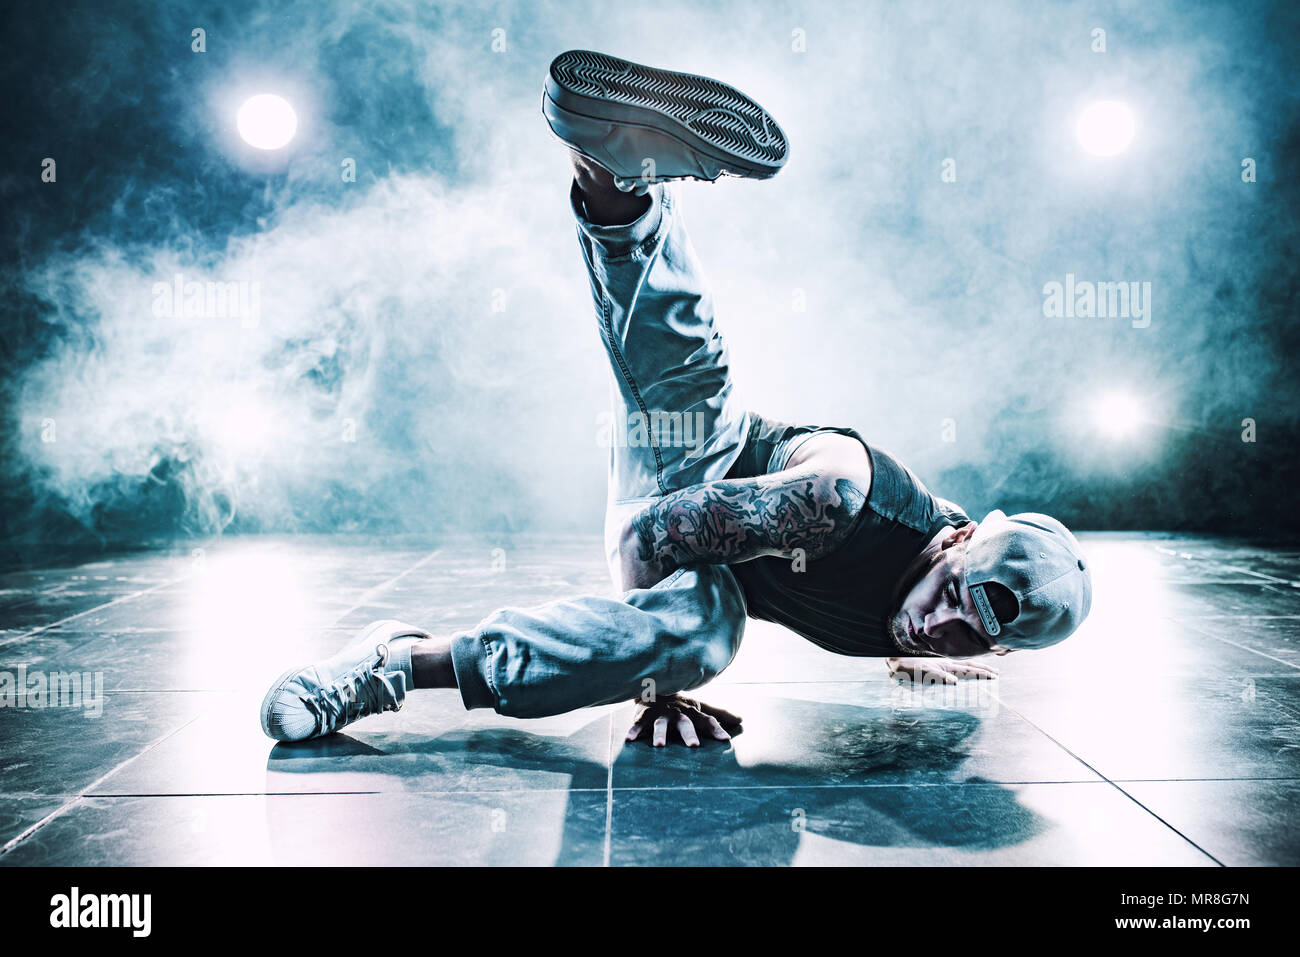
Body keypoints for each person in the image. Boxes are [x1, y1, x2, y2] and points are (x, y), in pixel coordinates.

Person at [261, 50, 1093, 749]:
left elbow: (960, 624)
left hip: (717, 549)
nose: (939, 627)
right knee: (689, 447)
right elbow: (652, 533)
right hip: (702, 475)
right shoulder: (845, 495)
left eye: (975, 631)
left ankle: (621, 176)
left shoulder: (963, 625)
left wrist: (948, 646)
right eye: (952, 591)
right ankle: (398, 659)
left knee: (699, 610)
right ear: (957, 535)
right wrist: (652, 677)